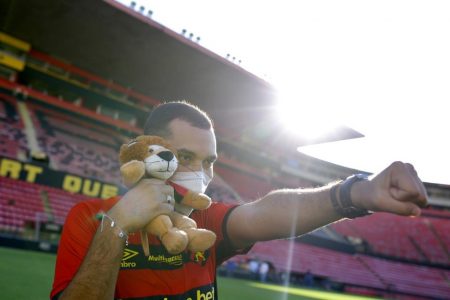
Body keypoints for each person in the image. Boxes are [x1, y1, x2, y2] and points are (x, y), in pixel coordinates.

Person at [50, 101, 428, 299]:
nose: (201, 173)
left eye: (210, 162)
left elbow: (264, 212)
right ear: (152, 151)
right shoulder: (91, 217)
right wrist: (116, 228)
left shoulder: (206, 219)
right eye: (185, 158)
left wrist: (357, 192)